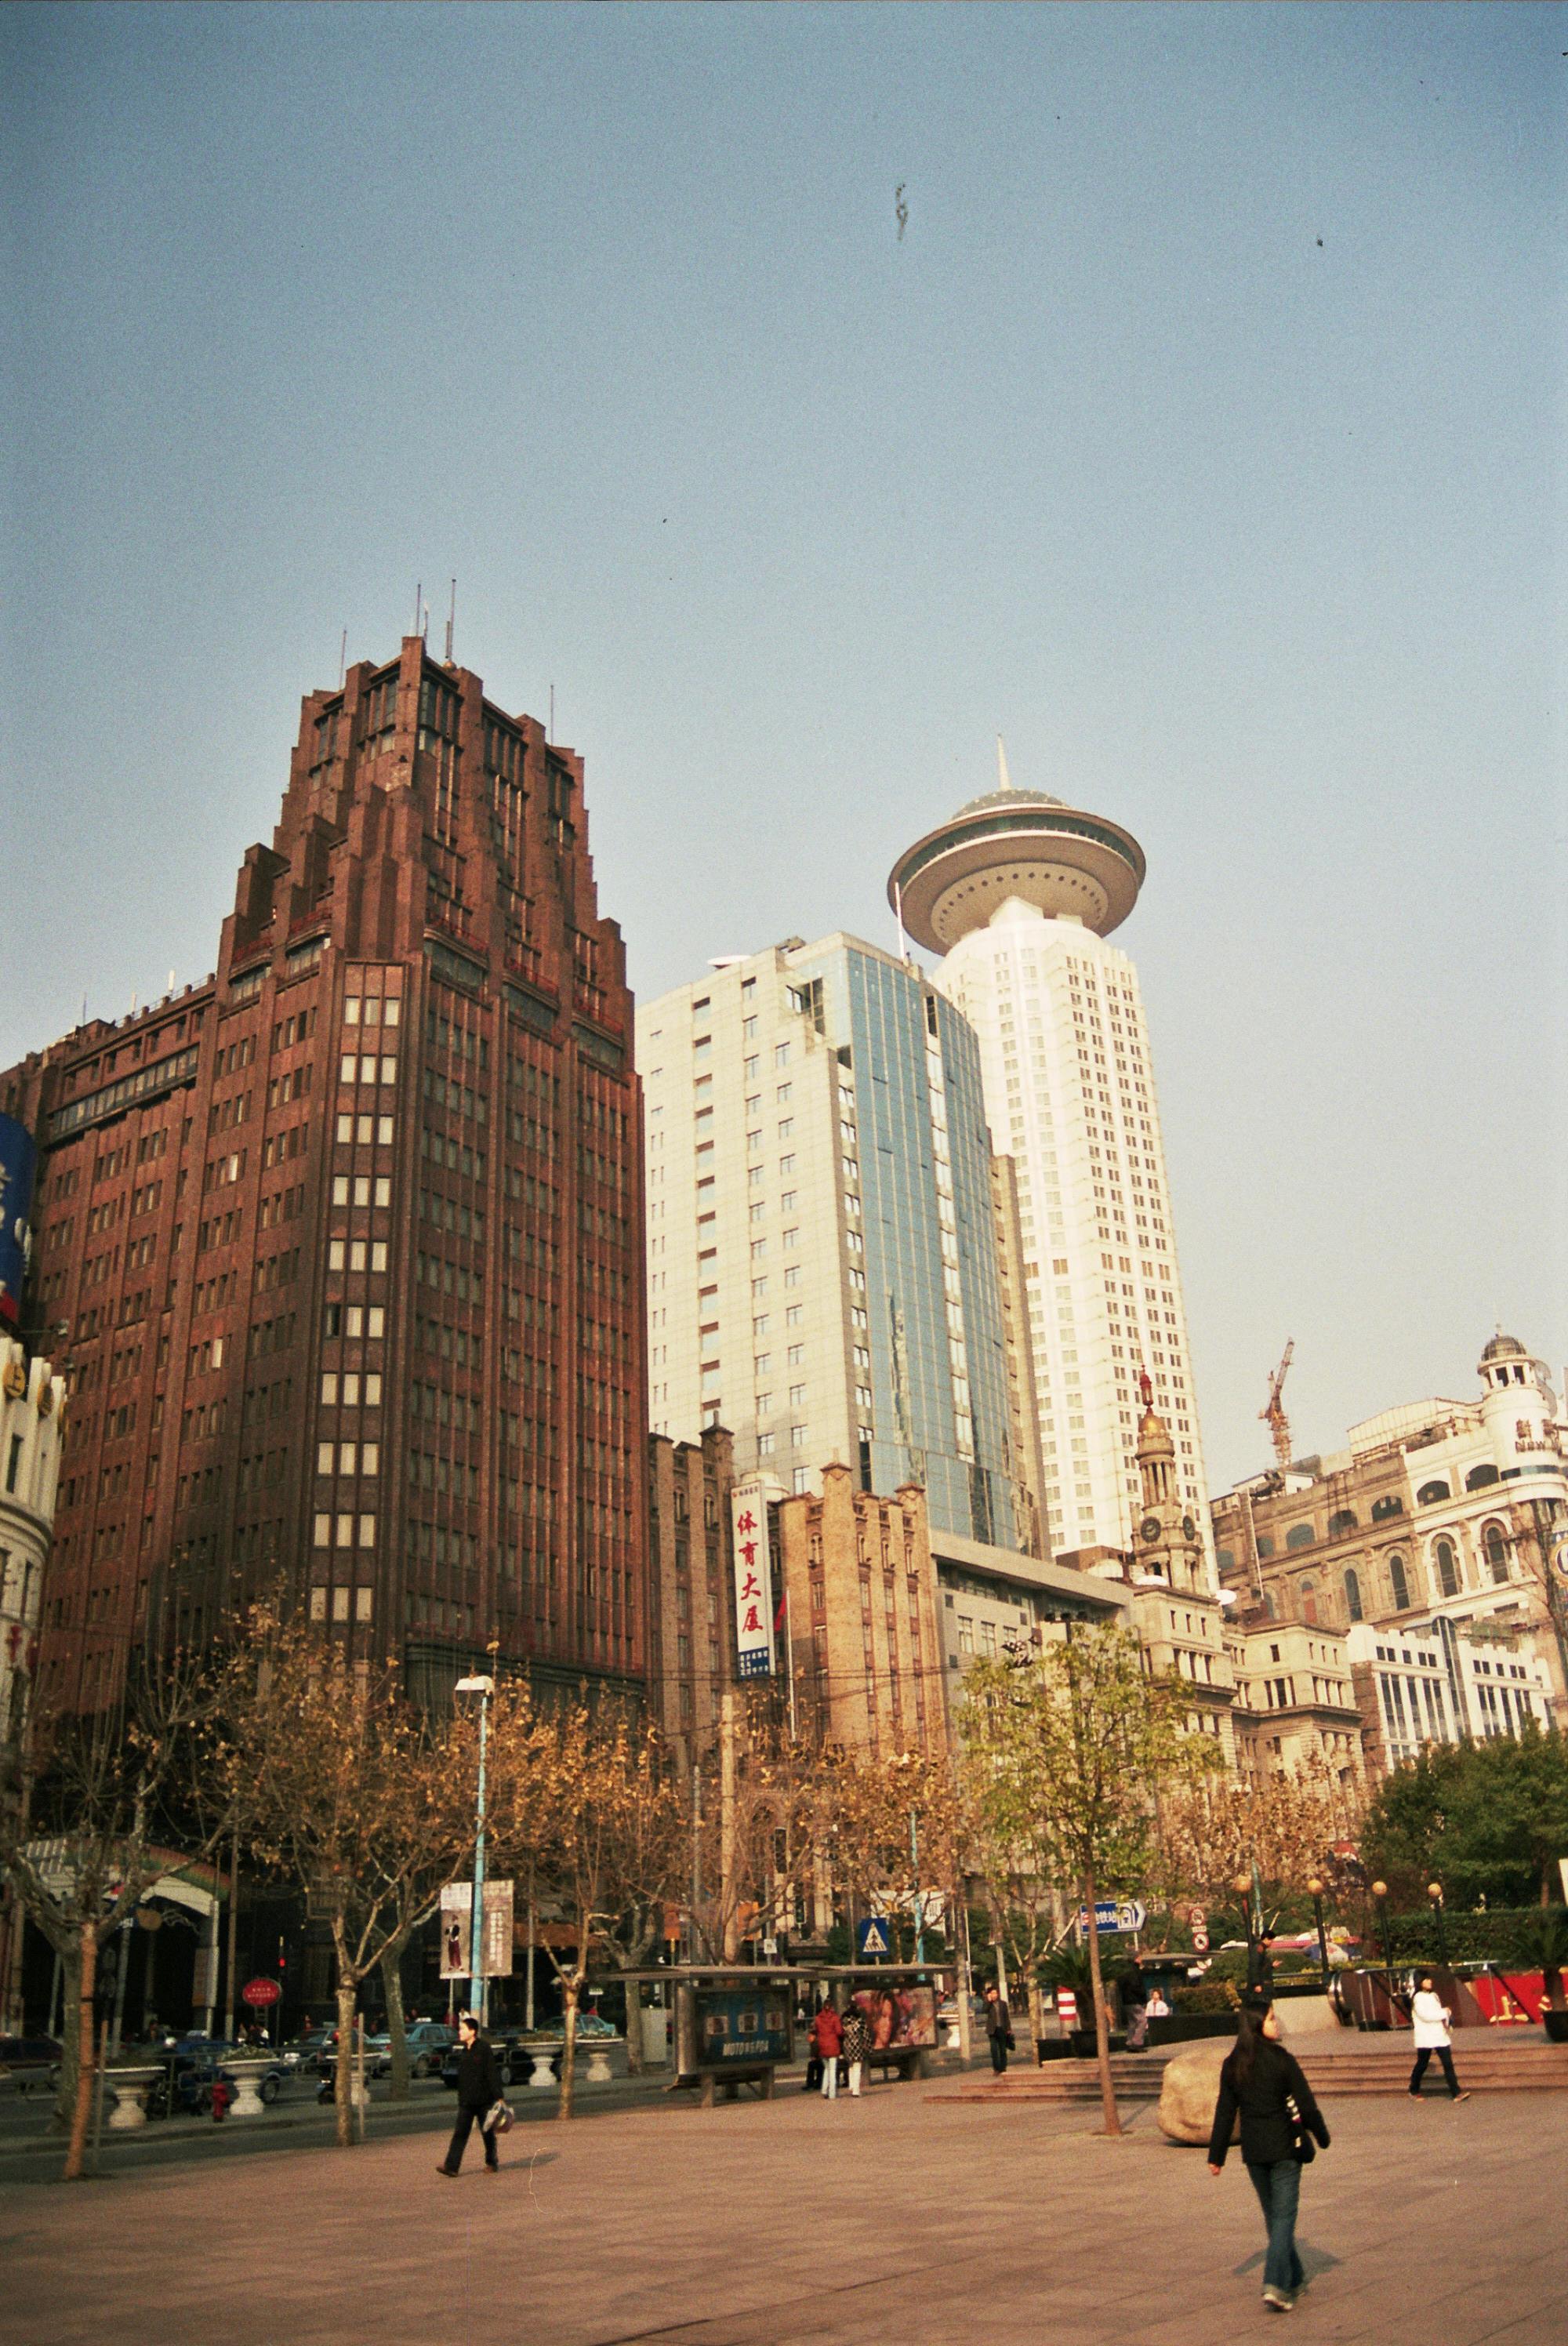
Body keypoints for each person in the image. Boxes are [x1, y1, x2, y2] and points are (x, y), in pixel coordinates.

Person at [1208, 1998, 1330, 2313]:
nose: (1277, 2024)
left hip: (1255, 2153)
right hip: (1285, 2149)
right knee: (1283, 2218)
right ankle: (1275, 2284)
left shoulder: (1233, 2064)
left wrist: (1217, 2155)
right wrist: (1322, 2135)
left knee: (1275, 2218)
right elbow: (1306, 2104)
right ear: (1257, 2024)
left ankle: (1296, 2278)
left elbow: (1225, 2112)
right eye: (1272, 2019)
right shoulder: (1282, 2060)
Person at [437, 2010, 503, 2177]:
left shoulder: (483, 2048)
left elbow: (491, 2072)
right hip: (466, 2102)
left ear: (472, 2031)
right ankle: (451, 2167)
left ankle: (491, 2162)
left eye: (463, 2029)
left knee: (487, 2133)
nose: (460, 2032)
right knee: (460, 2133)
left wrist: (499, 2096)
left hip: (484, 2101)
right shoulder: (464, 2051)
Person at [1409, 1976, 1469, 2101]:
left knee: (1448, 2063)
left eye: (1430, 1979)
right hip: (1426, 2036)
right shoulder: (1418, 1997)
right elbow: (1425, 2016)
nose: (1430, 1981)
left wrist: (1446, 2016)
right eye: (1426, 1980)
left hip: (1439, 2035)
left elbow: (1436, 2013)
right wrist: (1444, 2013)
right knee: (1422, 2064)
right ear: (1419, 1982)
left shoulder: (1434, 1996)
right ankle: (1413, 2089)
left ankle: (1456, 2093)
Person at [811, 2000, 843, 2101]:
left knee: (826, 2069)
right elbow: (839, 2032)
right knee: (833, 2071)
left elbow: (815, 2031)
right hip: (833, 2046)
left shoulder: (818, 2019)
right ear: (832, 2007)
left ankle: (824, 2090)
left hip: (823, 2047)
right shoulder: (835, 2018)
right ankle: (832, 2093)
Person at [841, 1998, 869, 2098]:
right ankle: (856, 2091)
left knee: (851, 2065)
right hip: (857, 2046)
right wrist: (869, 2048)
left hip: (847, 2045)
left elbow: (841, 2033)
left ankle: (852, 2086)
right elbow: (865, 2034)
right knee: (857, 2066)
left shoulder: (844, 2020)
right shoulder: (860, 2020)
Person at [983, 1981, 1013, 2075]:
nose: (994, 1995)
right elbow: (984, 2010)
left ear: (998, 1994)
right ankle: (996, 2068)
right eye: (992, 1993)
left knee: (1002, 2050)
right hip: (992, 2030)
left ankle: (1003, 2068)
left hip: (1002, 2029)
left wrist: (1009, 2028)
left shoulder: (1003, 2004)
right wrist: (988, 2001)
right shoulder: (988, 2004)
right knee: (994, 2050)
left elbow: (1006, 2017)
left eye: (995, 1993)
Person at [1123, 1959, 1150, 2050]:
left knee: (1132, 2022)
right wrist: (1143, 1998)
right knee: (1143, 2020)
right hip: (1135, 2001)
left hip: (1126, 2001)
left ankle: (1130, 2041)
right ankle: (1137, 2042)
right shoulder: (1135, 1972)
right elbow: (1137, 1987)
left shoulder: (1124, 1971)